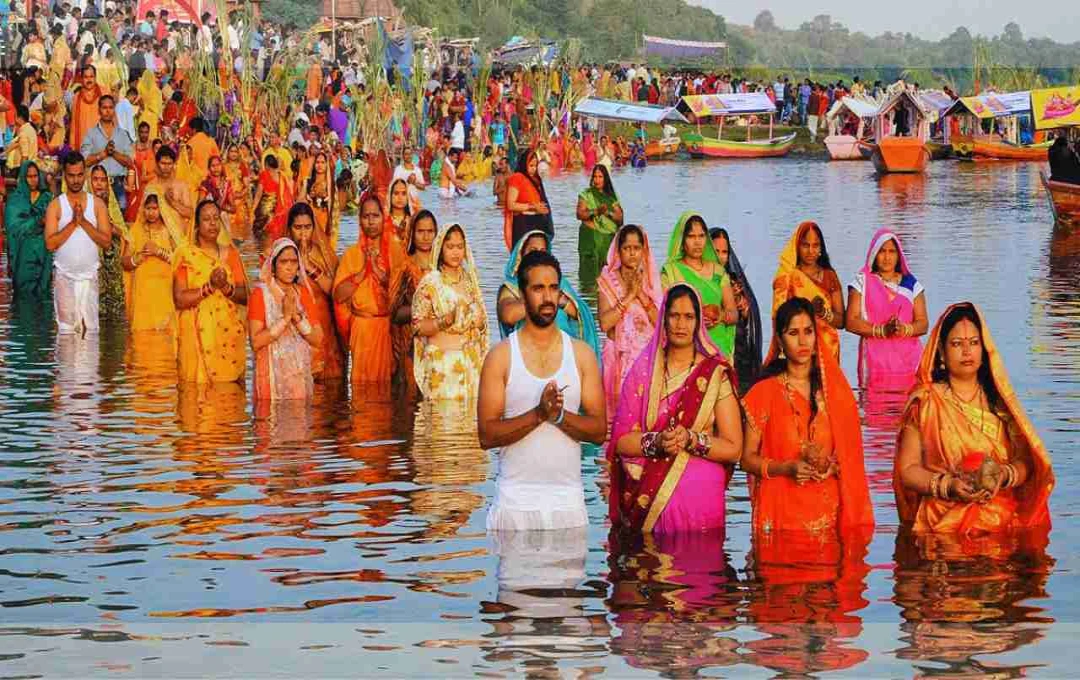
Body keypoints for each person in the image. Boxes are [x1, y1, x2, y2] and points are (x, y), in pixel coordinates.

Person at [894, 302, 1054, 535]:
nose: (967, 351)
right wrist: (948, 486)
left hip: (1001, 522)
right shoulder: (926, 402)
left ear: (984, 349)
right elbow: (908, 470)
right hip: (941, 527)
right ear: (941, 352)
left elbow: (1028, 462)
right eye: (957, 344)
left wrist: (1003, 475)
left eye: (974, 342)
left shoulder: (1000, 403)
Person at [478, 250, 607, 531]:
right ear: (523, 296)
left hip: (569, 507)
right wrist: (538, 415)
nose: (548, 297)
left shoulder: (581, 355)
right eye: (538, 288)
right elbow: (486, 436)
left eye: (553, 288)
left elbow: (599, 431)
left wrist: (559, 417)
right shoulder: (501, 357)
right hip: (514, 508)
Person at [606, 284, 744, 534]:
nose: (681, 324)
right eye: (674, 316)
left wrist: (691, 439)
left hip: (700, 503)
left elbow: (734, 449)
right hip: (648, 500)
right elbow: (621, 442)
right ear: (664, 319)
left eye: (689, 317)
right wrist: (657, 442)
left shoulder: (715, 374)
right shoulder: (642, 372)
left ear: (698, 322)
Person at [740, 297, 875, 536]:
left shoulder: (835, 394)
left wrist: (831, 466)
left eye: (808, 332)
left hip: (828, 518)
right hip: (780, 517)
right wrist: (786, 468)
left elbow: (850, 458)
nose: (803, 341)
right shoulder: (763, 392)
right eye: (793, 333)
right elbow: (747, 460)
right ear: (780, 341)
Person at [332, 194, 406, 391]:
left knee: (388, 389)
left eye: (375, 215)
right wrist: (362, 272)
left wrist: (381, 275)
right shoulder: (352, 254)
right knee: (361, 389)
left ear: (384, 217)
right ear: (360, 220)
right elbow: (338, 296)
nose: (371, 221)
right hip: (362, 329)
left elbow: (403, 293)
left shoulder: (396, 252)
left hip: (388, 328)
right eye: (366, 216)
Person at [172, 199, 249, 383]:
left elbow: (245, 295)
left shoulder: (231, 254)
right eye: (206, 219)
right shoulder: (186, 256)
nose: (213, 223)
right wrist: (210, 288)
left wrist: (225, 287)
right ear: (197, 225)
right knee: (195, 392)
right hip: (195, 339)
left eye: (216, 218)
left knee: (230, 391)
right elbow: (179, 299)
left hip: (228, 337)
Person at [411, 224, 490, 402]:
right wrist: (444, 321)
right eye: (450, 247)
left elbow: (483, 321)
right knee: (441, 417)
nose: (456, 252)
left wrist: (479, 322)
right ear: (440, 248)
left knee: (470, 416)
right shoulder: (431, 282)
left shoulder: (470, 281)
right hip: (441, 366)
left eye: (460, 247)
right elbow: (417, 327)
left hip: (470, 365)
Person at [498, 230, 601, 360]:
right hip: (528, 353)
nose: (538, 254)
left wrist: (560, 301)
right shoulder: (512, 286)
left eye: (543, 250)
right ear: (520, 254)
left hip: (564, 352)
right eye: (532, 250)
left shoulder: (561, 283)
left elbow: (581, 315)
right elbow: (508, 316)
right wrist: (545, 301)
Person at [845, 229, 927, 389]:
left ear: (899, 255)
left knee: (910, 401)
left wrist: (904, 329)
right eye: (882, 251)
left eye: (892, 251)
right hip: (874, 361)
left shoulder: (911, 283)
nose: (887, 257)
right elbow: (851, 322)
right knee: (873, 402)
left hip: (910, 361)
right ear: (874, 254)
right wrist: (882, 330)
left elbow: (923, 323)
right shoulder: (862, 282)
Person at [248, 237, 324, 402]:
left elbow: (317, 339)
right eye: (284, 262)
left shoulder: (303, 294)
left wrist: (296, 318)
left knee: (299, 415)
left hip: (298, 375)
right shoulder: (260, 294)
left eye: (294, 262)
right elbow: (256, 342)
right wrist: (284, 319)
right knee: (270, 415)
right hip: (270, 377)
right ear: (273, 266)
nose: (289, 267)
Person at [597, 224, 661, 422]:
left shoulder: (651, 281)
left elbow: (660, 322)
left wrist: (641, 294)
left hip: (646, 358)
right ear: (619, 251)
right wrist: (629, 296)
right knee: (617, 420)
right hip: (617, 358)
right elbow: (605, 324)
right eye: (627, 248)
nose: (632, 253)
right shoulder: (607, 280)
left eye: (636, 248)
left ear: (643, 250)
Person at [44, 153, 112, 335]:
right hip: (64, 277)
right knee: (66, 334)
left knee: (91, 332)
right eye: (71, 175)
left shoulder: (97, 204)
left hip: (90, 277)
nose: (76, 180)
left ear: (85, 174)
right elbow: (50, 244)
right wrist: (73, 223)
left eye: (80, 175)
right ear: (64, 176)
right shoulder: (56, 206)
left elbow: (106, 242)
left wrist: (84, 222)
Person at [661, 212, 738, 359]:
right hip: (686, 350)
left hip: (719, 349)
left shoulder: (718, 272)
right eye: (691, 236)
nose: (697, 242)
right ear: (682, 240)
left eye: (701, 236)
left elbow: (733, 313)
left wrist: (720, 316)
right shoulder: (671, 273)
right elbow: (663, 313)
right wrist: (697, 318)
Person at [287, 202, 345, 382]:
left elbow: (336, 292)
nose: (303, 233)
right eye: (298, 228)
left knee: (327, 385)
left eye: (307, 227)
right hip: (294, 329)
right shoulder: (282, 255)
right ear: (289, 229)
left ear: (314, 227)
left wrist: (309, 267)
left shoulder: (324, 254)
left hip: (323, 327)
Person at [772, 221, 845, 362]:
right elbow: (779, 317)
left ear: (821, 248)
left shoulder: (829, 276)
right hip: (796, 348)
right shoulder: (788, 277)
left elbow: (841, 321)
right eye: (805, 245)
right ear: (797, 246)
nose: (811, 251)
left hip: (828, 349)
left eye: (815, 245)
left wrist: (823, 313)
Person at [390, 210, 438, 398]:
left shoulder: (442, 267)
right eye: (420, 231)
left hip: (439, 343)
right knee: (412, 399)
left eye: (430, 231)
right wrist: (422, 310)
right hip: (412, 344)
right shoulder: (405, 267)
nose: (426, 237)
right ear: (412, 233)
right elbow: (394, 313)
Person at [710, 227, 763, 393]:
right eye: (716, 251)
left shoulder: (734, 282)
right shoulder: (700, 281)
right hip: (711, 349)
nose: (720, 257)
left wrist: (743, 310)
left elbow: (748, 316)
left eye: (724, 252)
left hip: (738, 350)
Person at [122, 192, 183, 332]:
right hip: (142, 292)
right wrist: (136, 259)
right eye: (148, 208)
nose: (151, 213)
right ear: (143, 209)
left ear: (162, 209)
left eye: (155, 208)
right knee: (142, 333)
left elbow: (180, 260)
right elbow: (124, 262)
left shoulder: (170, 231)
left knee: (165, 333)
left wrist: (159, 251)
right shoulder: (136, 231)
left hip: (164, 290)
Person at [4, 161, 54, 303]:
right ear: (23, 178)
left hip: (43, 254)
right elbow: (13, 229)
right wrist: (38, 221)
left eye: (35, 176)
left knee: (44, 296)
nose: (33, 180)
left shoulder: (46, 198)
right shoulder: (15, 200)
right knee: (23, 299)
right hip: (22, 255)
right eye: (29, 176)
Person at [89, 164, 129, 323]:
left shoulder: (112, 206)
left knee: (114, 320)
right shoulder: (84, 207)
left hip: (112, 272)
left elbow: (124, 235)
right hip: (92, 270)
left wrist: (111, 227)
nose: (99, 184)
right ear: (89, 182)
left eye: (103, 180)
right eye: (95, 179)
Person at [80, 94, 134, 209]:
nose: (107, 111)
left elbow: (130, 162)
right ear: (99, 110)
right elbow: (85, 161)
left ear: (114, 110)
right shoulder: (91, 134)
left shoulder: (123, 134)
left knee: (120, 217)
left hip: (118, 185)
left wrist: (114, 153)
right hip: (97, 186)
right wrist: (103, 154)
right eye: (104, 108)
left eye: (110, 107)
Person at [576, 164, 624, 286]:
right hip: (591, 239)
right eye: (595, 177)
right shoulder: (586, 194)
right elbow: (580, 214)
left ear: (605, 178)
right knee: (590, 272)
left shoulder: (611, 197)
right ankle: (588, 292)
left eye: (600, 177)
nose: (597, 180)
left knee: (609, 271)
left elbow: (620, 219)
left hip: (608, 239)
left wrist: (607, 213)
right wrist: (596, 212)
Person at [503, 149, 552, 249]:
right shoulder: (517, 178)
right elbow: (511, 205)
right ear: (524, 164)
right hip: (523, 225)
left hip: (537, 224)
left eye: (536, 166)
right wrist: (533, 207)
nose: (534, 169)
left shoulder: (536, 181)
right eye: (531, 165)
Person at [297, 151, 336, 249]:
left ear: (327, 164)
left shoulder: (330, 184)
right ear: (314, 164)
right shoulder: (309, 181)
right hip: (311, 219)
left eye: (323, 162)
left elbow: (334, 206)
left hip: (325, 219)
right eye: (317, 162)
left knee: (323, 246)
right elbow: (300, 200)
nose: (320, 165)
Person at [252, 153, 294, 242]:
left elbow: (258, 194)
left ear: (266, 164)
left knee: (260, 235)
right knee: (276, 238)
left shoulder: (264, 174)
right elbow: (289, 193)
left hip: (265, 210)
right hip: (279, 211)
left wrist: (252, 210)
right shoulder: (282, 175)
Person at [69, 65, 102, 152]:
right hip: (83, 144)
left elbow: (112, 119)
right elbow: (73, 125)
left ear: (95, 77)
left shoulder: (104, 93)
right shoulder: (77, 97)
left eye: (91, 76)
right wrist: (72, 146)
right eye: (86, 77)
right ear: (82, 79)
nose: (89, 80)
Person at [391, 145, 426, 213]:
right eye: (406, 154)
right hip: (402, 202)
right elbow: (394, 186)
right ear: (403, 156)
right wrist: (407, 181)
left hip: (415, 203)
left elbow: (423, 187)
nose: (408, 156)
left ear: (412, 155)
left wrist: (414, 183)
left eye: (410, 154)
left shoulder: (417, 170)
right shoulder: (398, 169)